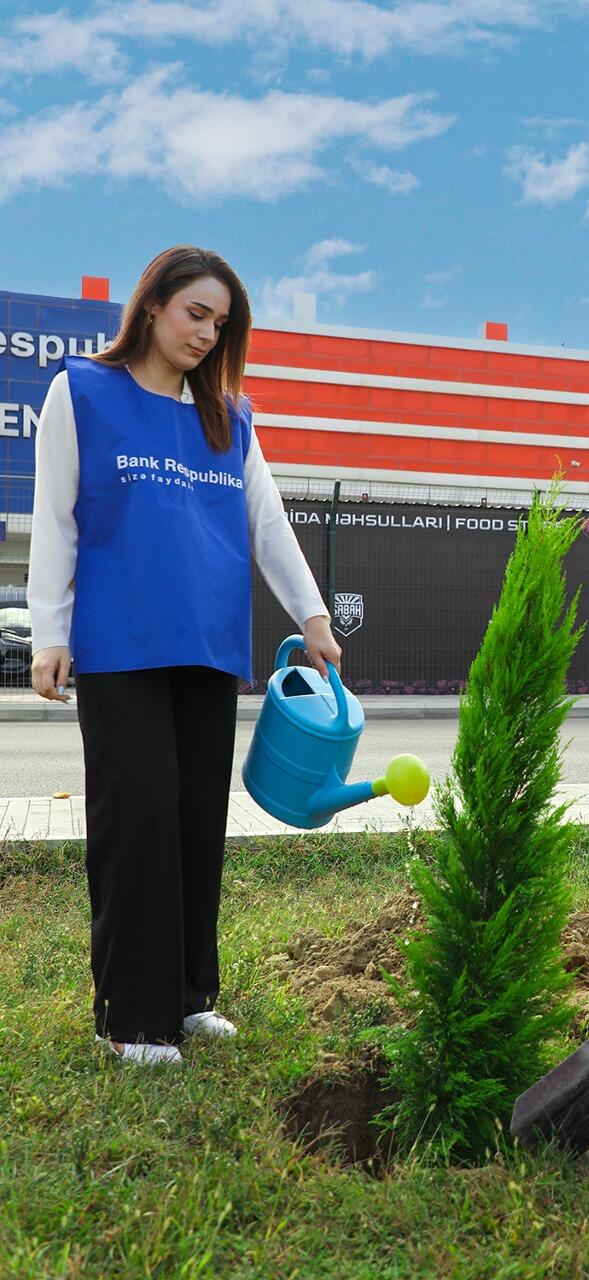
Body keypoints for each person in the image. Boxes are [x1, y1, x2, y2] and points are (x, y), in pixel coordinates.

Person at [28, 246, 340, 1066]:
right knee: (139, 822)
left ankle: (190, 997)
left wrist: (311, 614)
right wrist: (49, 632)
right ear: (155, 304)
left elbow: (266, 524)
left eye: (220, 323)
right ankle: (129, 1017)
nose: (206, 334)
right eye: (195, 313)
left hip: (208, 647)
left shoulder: (228, 418)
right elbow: (55, 517)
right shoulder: (84, 391)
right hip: (119, 646)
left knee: (198, 822)